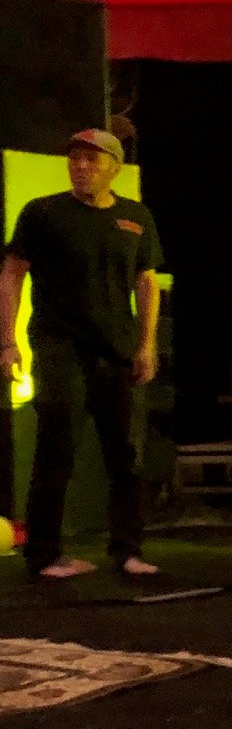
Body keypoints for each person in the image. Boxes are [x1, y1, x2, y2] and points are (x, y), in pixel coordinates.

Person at [0, 129, 163, 580]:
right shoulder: (43, 213)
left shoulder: (134, 217)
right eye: (75, 159)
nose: (81, 167)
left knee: (127, 453)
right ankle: (44, 554)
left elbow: (146, 282)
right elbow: (12, 273)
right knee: (56, 447)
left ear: (114, 167)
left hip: (116, 349)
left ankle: (128, 550)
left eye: (92, 160)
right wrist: (7, 341)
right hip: (59, 345)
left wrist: (146, 344)